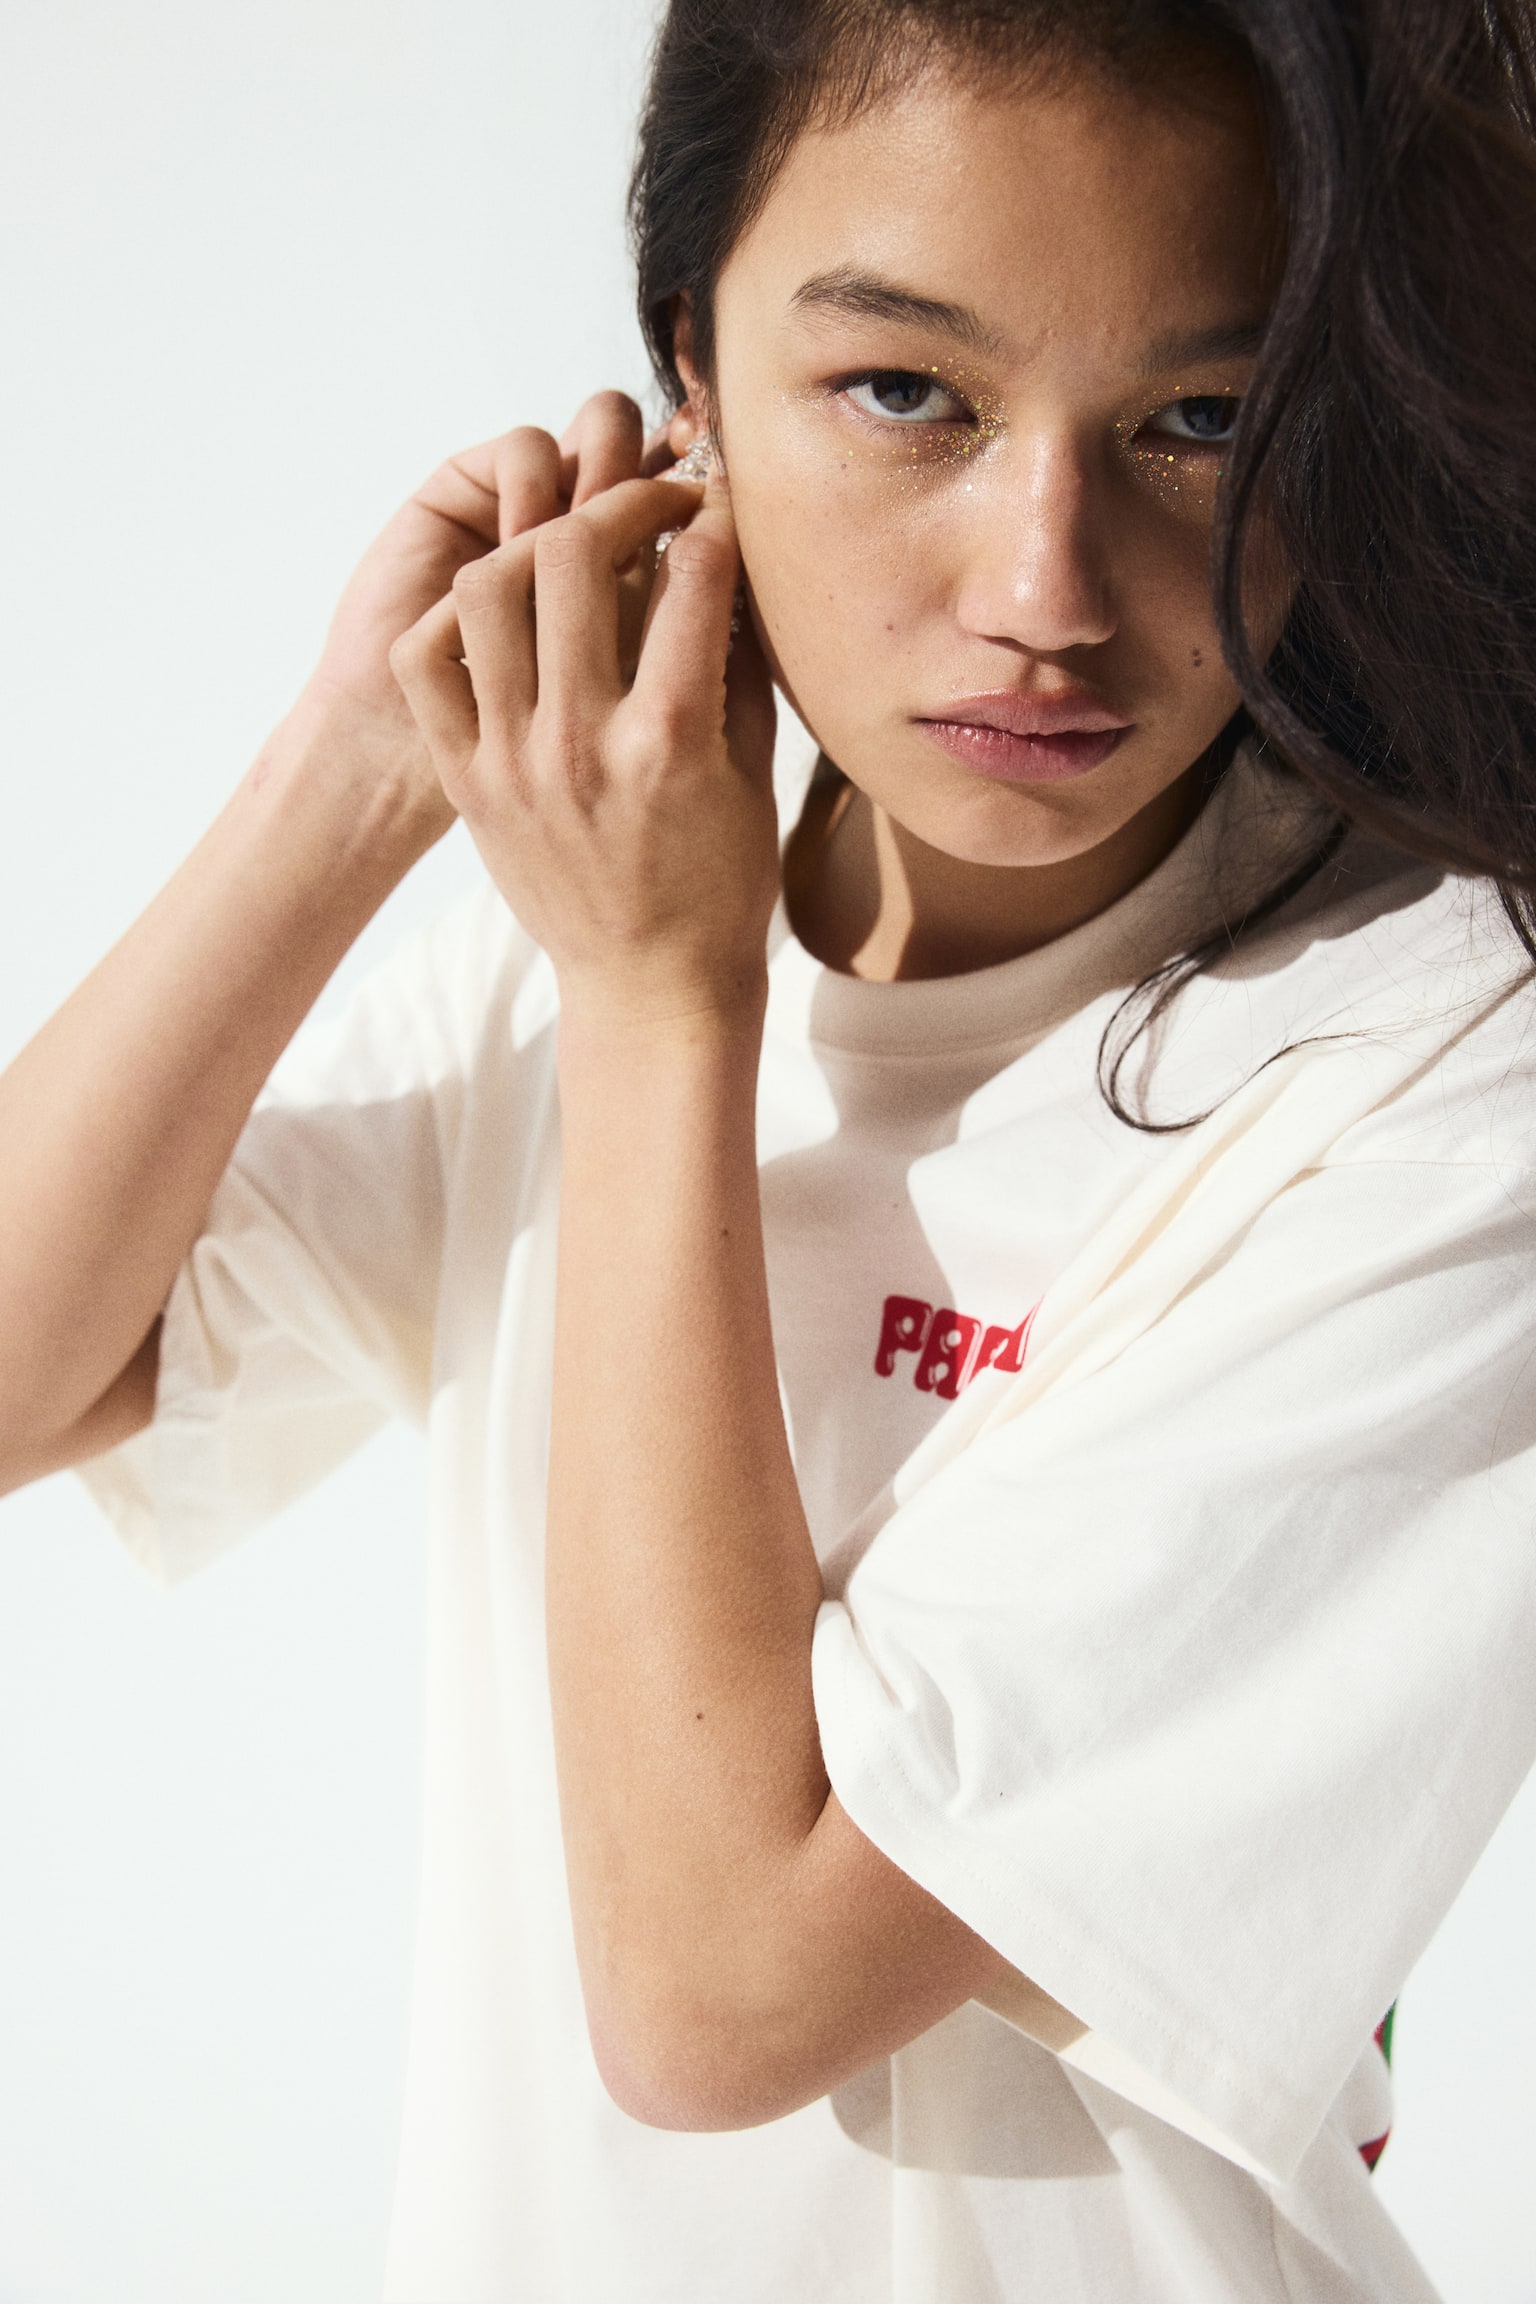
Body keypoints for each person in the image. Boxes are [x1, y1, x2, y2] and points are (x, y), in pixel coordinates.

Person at [3, 0, 1535, 2295]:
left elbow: (721, 1992)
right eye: (909, 391)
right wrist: (352, 769)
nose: (1046, 585)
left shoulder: (1441, 1064)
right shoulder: (634, 879)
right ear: (690, 381)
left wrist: (662, 1000)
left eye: (1207, 418)